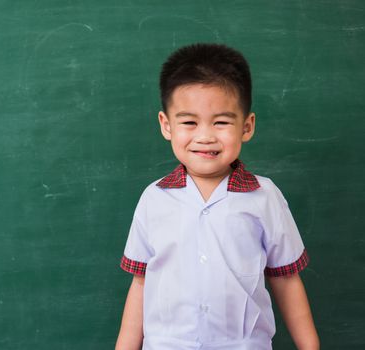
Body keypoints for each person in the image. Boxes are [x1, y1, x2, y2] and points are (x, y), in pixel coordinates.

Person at [115, 43, 319, 350]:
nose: (205, 136)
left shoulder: (264, 197)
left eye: (221, 122)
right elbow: (141, 282)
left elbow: (285, 279)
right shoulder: (154, 198)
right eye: (189, 122)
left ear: (246, 126)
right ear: (166, 125)